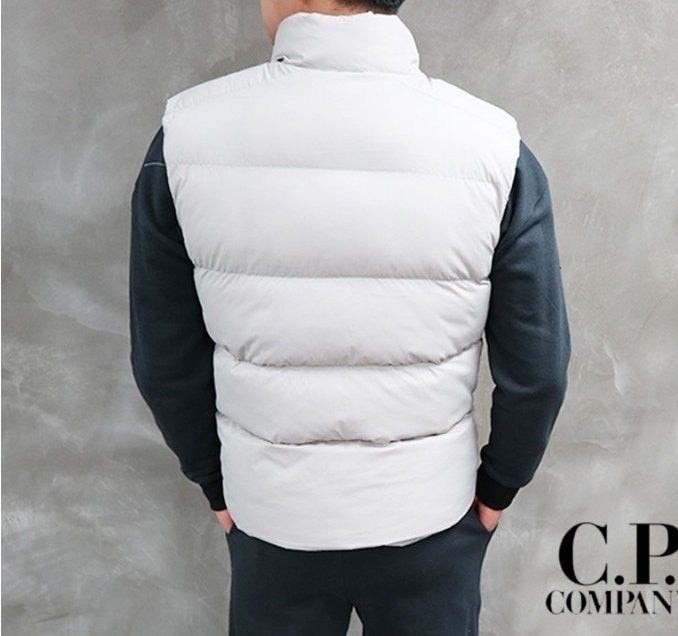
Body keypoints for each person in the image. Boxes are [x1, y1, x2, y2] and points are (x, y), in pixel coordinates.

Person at [129, 0, 571, 633]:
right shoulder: (494, 145)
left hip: (271, 519)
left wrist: (215, 484)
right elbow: (539, 367)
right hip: (431, 519)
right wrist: (498, 488)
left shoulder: (185, 136)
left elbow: (164, 358)